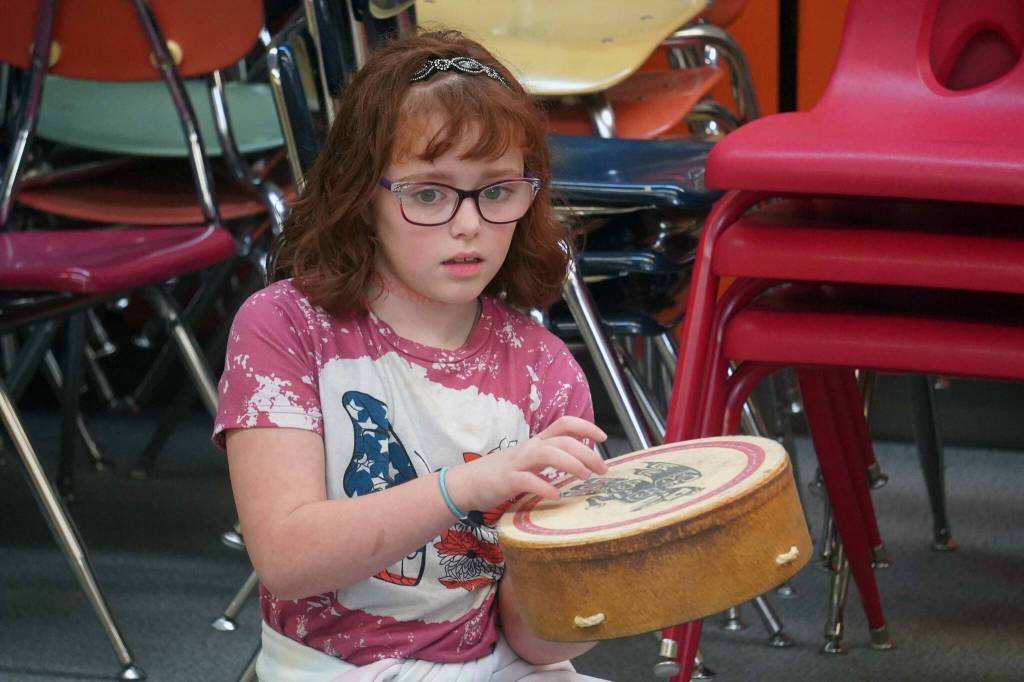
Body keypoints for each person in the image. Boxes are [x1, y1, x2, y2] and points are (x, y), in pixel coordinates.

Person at [214, 29, 612, 681]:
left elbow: (535, 641)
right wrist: (467, 488)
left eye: (497, 190)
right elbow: (285, 557)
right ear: (364, 198)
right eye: (429, 193)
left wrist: (595, 571)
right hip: (335, 668)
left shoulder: (547, 369)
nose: (468, 224)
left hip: (496, 663)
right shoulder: (286, 326)